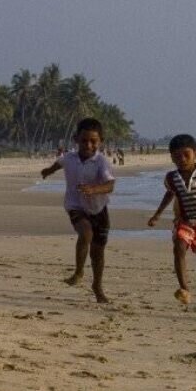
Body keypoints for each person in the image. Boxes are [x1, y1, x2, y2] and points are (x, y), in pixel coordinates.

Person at [41, 117, 115, 303]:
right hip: (75, 205)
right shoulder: (69, 158)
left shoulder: (101, 162)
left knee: (98, 252)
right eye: (84, 141)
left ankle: (97, 286)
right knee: (85, 233)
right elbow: (59, 164)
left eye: (93, 141)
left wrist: (94, 190)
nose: (88, 145)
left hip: (99, 209)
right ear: (76, 139)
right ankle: (79, 271)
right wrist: (48, 171)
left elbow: (110, 185)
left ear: (101, 142)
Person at [148, 134, 196, 305]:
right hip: (184, 223)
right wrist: (157, 215)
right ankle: (184, 288)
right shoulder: (171, 178)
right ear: (171, 158)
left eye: (186, 155)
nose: (182, 159)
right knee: (178, 248)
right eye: (177, 157)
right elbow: (170, 194)